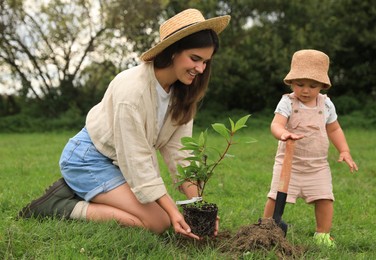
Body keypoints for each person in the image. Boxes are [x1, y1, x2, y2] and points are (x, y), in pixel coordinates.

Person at [18, 8, 231, 240]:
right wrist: (171, 210)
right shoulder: (132, 89)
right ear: (172, 52)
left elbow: (180, 153)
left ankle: (88, 192)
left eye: (206, 62)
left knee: (162, 217)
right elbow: (136, 158)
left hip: (121, 163)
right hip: (88, 159)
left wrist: (196, 207)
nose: (200, 69)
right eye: (195, 59)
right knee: (159, 223)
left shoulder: (183, 94)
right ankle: (60, 205)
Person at [262, 49, 359, 247]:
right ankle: (265, 230)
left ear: (323, 85)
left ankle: (322, 234)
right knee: (275, 197)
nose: (305, 90)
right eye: (300, 84)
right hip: (289, 165)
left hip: (317, 166)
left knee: (325, 198)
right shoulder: (287, 102)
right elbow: (276, 124)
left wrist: (344, 150)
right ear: (291, 82)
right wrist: (283, 133)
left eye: (312, 86)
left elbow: (334, 129)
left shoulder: (327, 105)